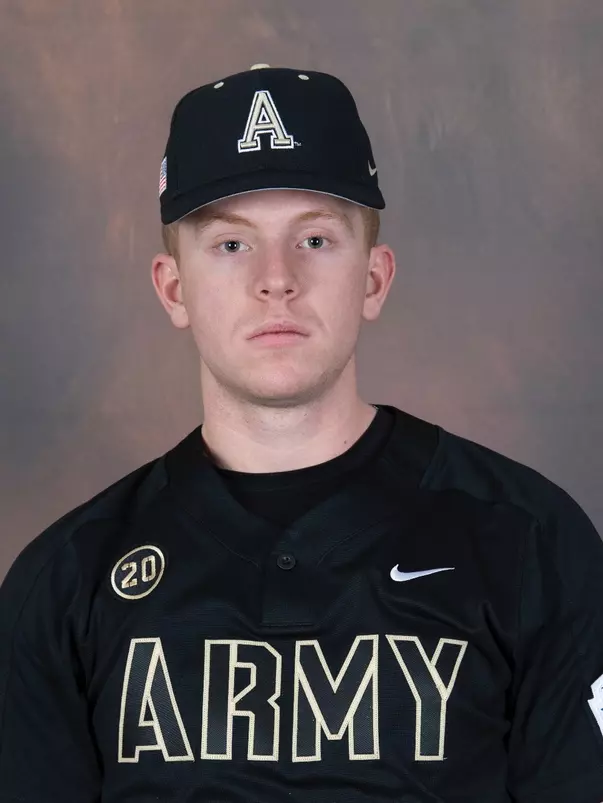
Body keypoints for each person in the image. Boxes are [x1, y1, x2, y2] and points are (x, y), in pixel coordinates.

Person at [0, 64, 602, 803]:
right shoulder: (66, 581)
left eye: (315, 239)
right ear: (173, 287)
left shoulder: (528, 541)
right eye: (230, 245)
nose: (275, 278)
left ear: (374, 278)